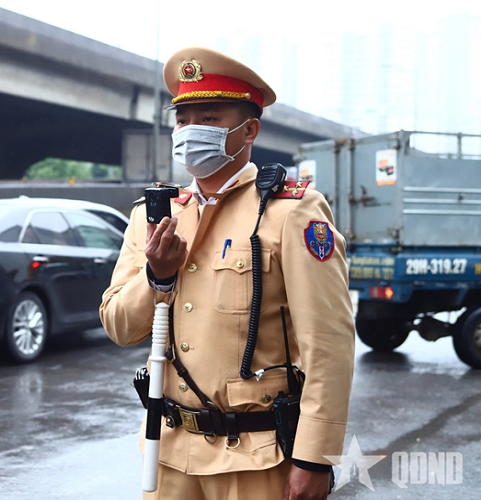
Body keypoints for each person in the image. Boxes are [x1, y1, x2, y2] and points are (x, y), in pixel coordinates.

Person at [100, 47, 355, 500]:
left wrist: (315, 457)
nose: (190, 131)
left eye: (210, 117)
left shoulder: (291, 212)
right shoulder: (154, 215)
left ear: (249, 130)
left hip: (257, 459)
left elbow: (329, 344)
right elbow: (120, 326)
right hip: (168, 454)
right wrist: (157, 278)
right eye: (183, 120)